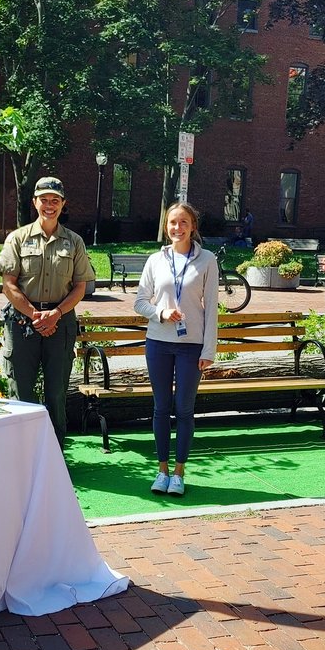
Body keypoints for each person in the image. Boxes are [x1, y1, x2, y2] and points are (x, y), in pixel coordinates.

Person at [0, 175, 96, 446]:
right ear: (34, 202)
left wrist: (56, 314)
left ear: (63, 204)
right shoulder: (17, 238)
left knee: (56, 393)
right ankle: (22, 455)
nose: (49, 205)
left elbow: (80, 286)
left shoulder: (73, 242)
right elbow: (8, 285)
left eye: (55, 200)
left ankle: (54, 457)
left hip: (60, 323)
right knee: (21, 391)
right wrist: (34, 314)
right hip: (22, 322)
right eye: (44, 200)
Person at [134, 202, 218, 497]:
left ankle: (179, 473)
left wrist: (209, 349)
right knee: (160, 408)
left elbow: (211, 310)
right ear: (166, 225)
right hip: (158, 342)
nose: (177, 228)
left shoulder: (207, 260)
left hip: (190, 346)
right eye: (172, 222)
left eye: (183, 222)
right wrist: (160, 312)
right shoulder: (155, 260)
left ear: (193, 226)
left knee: (183, 409)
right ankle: (161, 470)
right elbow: (140, 301)